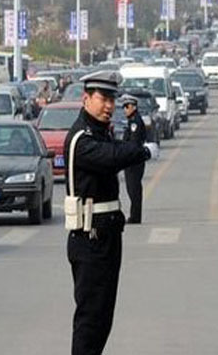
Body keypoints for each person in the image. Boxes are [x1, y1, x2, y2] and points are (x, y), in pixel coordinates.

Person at [64, 70, 158, 355]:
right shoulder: (81, 139)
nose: (109, 105)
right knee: (91, 320)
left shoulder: (100, 133)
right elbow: (112, 157)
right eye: (103, 98)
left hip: (105, 237)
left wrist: (136, 146)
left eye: (112, 99)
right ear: (85, 99)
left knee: (102, 318)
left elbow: (117, 148)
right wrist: (142, 151)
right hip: (89, 239)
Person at [119, 94, 147, 224]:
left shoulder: (135, 122)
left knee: (134, 188)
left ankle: (135, 216)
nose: (125, 109)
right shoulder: (132, 120)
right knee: (132, 188)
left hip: (134, 160)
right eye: (124, 106)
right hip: (132, 159)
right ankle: (135, 215)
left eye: (127, 106)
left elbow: (134, 142)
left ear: (133, 107)